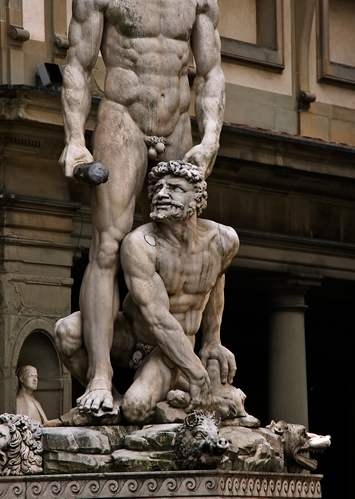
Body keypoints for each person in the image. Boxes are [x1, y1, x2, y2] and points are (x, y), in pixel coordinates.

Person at [59, 0, 225, 415]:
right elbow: (79, 68)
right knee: (108, 245)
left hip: (178, 123)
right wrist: (74, 143)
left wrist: (210, 138)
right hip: (123, 118)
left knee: (185, 239)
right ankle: (102, 376)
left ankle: (179, 365)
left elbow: (213, 74)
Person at [55, 161, 241, 423]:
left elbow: (215, 279)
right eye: (157, 188)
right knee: (67, 331)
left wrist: (212, 339)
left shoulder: (223, 240)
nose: (162, 194)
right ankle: (111, 400)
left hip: (172, 348)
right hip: (132, 332)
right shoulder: (139, 244)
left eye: (175, 188)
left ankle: (167, 396)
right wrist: (199, 374)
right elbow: (157, 318)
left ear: (198, 198)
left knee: (137, 408)